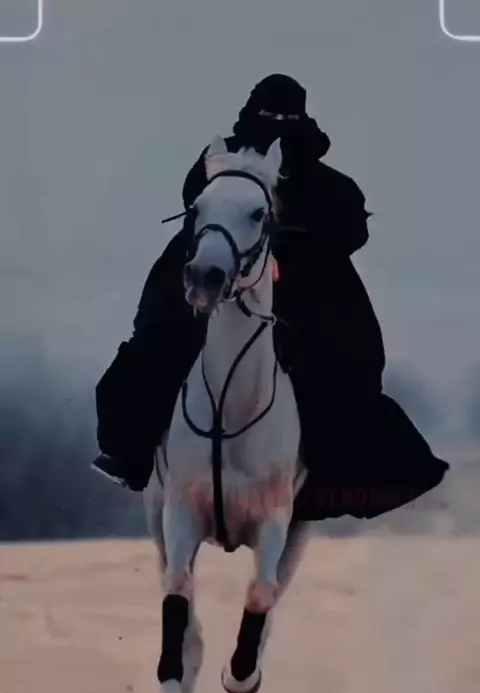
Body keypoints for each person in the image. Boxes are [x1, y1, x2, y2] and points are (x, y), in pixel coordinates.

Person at [93, 73, 448, 520]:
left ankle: (332, 476)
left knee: (344, 367)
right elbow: (195, 205)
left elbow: (352, 229)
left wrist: (298, 243)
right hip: (216, 274)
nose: (277, 124)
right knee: (158, 342)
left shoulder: (328, 184)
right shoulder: (218, 161)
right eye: (269, 115)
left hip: (306, 293)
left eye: (287, 117)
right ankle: (133, 452)